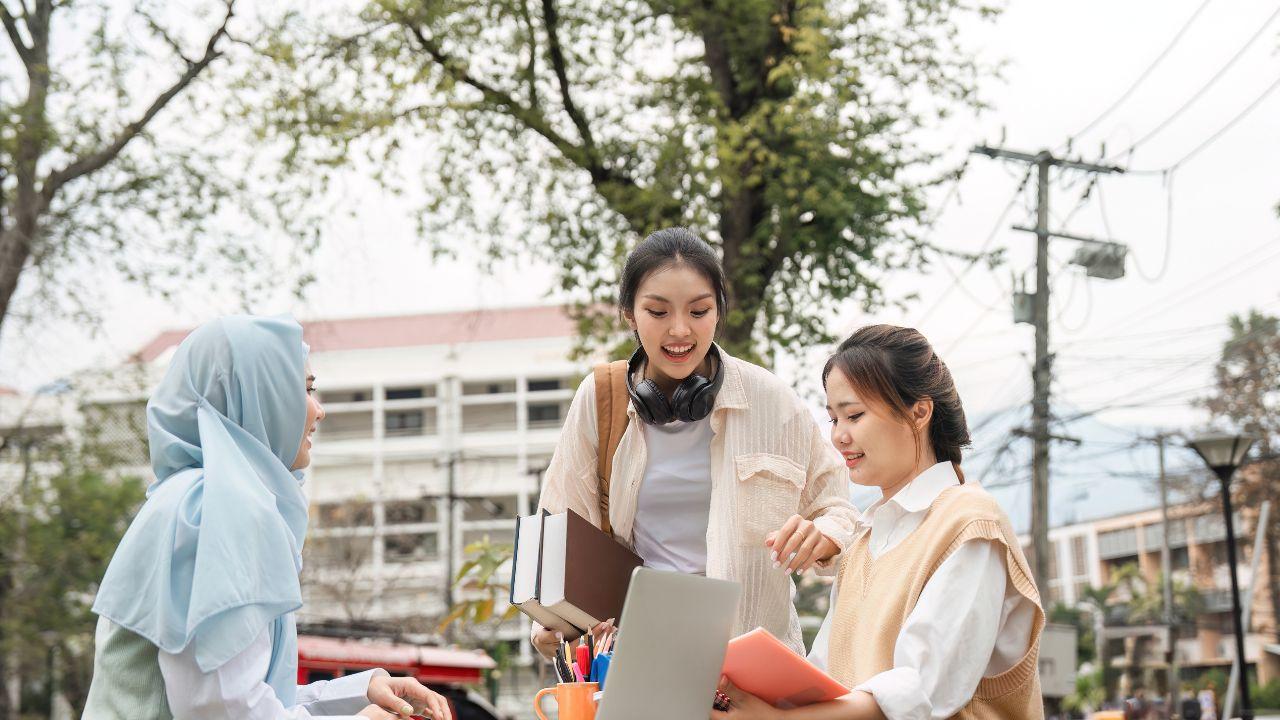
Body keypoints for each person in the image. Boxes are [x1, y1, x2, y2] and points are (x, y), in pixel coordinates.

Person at [83, 316, 452, 720]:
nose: (319, 411)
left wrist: (359, 691)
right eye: (307, 390)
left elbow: (236, 692)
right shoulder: (218, 510)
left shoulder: (191, 500)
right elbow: (219, 710)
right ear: (261, 397)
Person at [533, 227, 860, 657]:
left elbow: (840, 511)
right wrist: (556, 625)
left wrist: (825, 535)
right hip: (645, 655)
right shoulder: (600, 400)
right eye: (658, 312)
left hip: (756, 662)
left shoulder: (772, 400)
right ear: (630, 315)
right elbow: (559, 533)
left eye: (699, 310)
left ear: (719, 312)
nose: (680, 330)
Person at [714, 325, 1045, 719]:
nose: (838, 436)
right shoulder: (863, 543)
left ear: (919, 412)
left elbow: (923, 687)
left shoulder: (971, 524)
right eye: (834, 418)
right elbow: (823, 676)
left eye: (853, 415)